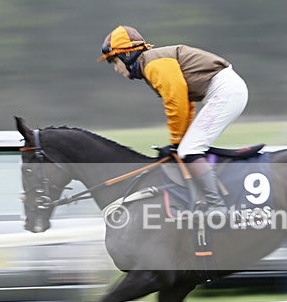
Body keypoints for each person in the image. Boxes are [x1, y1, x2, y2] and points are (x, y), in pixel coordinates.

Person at [98, 25, 248, 216]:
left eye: (114, 61)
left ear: (127, 55)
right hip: (225, 91)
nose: (116, 69)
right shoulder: (150, 63)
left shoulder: (153, 65)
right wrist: (179, 140)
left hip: (225, 92)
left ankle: (217, 206)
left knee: (189, 150)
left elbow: (176, 102)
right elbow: (185, 104)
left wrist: (176, 142)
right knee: (187, 148)